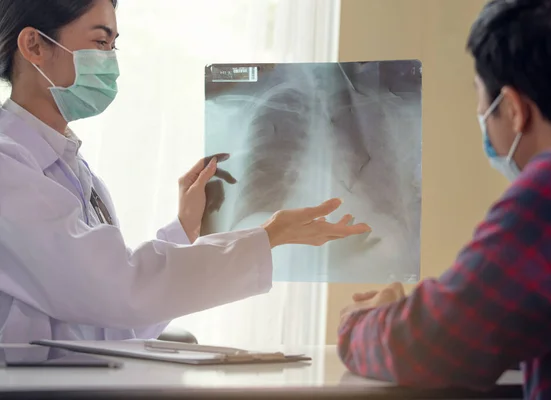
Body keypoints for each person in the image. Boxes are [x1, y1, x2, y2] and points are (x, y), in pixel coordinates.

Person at [0, 0, 371, 344]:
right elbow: (119, 291)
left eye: (114, 46)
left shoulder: (77, 172)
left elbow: (123, 322)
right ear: (34, 45)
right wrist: (267, 235)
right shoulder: (7, 166)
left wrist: (185, 228)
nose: (110, 61)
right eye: (100, 42)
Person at [337, 0, 551, 398]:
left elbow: (440, 344)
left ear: (512, 109)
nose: (481, 117)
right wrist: (414, 313)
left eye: (480, 101)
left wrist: (359, 324)